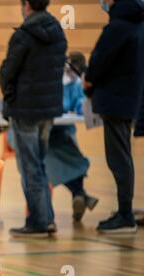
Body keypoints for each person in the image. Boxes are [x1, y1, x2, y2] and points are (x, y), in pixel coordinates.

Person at [0, 0, 67, 237]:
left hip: (25, 111)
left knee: (30, 168)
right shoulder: (59, 32)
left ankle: (38, 222)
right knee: (39, 164)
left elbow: (8, 71)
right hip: (48, 111)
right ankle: (46, 219)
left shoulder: (24, 34)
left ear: (26, 5)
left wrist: (10, 100)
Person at [84, 0, 144, 234]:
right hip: (130, 99)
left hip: (116, 101)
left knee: (118, 159)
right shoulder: (137, 24)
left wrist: (88, 82)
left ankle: (125, 215)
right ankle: (124, 211)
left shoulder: (118, 27)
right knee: (123, 157)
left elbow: (99, 62)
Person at [44, 52, 98, 221]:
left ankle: (79, 196)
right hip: (47, 133)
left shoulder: (75, 85)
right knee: (62, 158)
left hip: (65, 131)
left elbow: (81, 107)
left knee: (74, 157)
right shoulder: (52, 80)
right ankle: (80, 195)